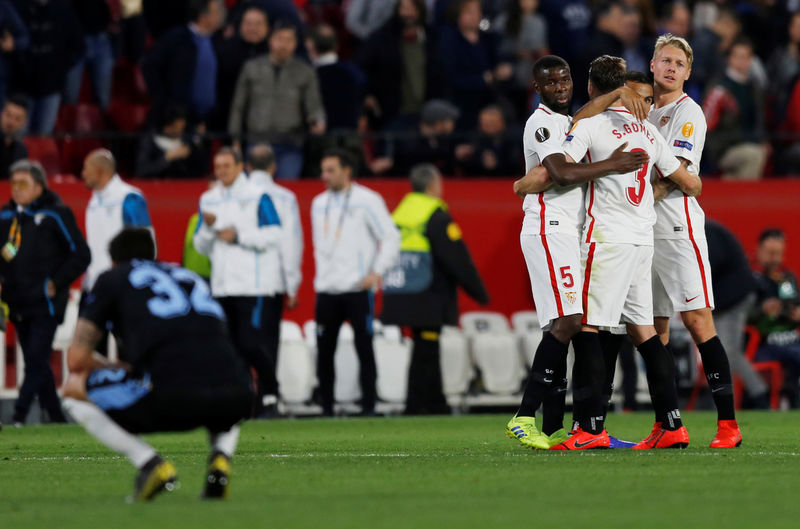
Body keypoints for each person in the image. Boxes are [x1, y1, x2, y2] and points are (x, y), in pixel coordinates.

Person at [544, 55, 702, 450]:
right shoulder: (648, 133)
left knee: (589, 327)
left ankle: (590, 429)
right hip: (642, 240)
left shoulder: (590, 125)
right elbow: (689, 182)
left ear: (593, 90)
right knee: (644, 331)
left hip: (607, 239)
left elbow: (561, 168)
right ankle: (672, 425)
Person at [505, 55, 649, 450]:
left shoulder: (571, 122)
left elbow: (585, 114)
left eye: (566, 79)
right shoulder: (541, 123)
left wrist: (618, 91)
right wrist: (613, 164)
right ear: (538, 88)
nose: (561, 87)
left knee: (571, 325)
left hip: (572, 232)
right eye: (551, 83)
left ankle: (569, 430)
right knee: (568, 320)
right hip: (550, 228)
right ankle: (523, 416)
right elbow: (562, 173)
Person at [62, 228, 252, 501]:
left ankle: (150, 465)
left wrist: (123, 369)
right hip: (238, 395)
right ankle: (220, 460)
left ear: (114, 261)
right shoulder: (189, 276)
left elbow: (76, 359)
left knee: (72, 388)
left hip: (171, 396)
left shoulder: (112, 278)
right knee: (220, 374)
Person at [647, 34, 742, 447]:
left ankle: (728, 425)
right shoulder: (643, 112)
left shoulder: (689, 113)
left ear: (688, 73)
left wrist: (635, 199)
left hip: (676, 228)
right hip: (643, 233)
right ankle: (667, 425)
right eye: (664, 60)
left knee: (698, 320)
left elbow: (679, 174)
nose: (670, 68)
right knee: (653, 329)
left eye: (678, 64)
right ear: (651, 65)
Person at [381, 164, 489, 415]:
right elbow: (455, 257)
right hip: (428, 292)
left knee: (422, 347)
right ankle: (425, 405)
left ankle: (424, 402)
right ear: (432, 185)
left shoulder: (400, 213)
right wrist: (479, 293)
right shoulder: (434, 214)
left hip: (402, 289)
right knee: (427, 350)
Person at [194, 148, 284, 415]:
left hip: (253, 286)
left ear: (240, 166)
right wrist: (209, 228)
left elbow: (275, 234)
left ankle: (270, 393)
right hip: (223, 286)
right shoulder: (208, 199)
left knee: (251, 343)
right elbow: (200, 245)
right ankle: (245, 400)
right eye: (218, 166)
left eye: (226, 166)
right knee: (230, 348)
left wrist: (239, 236)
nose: (221, 171)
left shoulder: (258, 196)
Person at [0, 160, 90, 425]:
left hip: (46, 303)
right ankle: (56, 417)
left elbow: (81, 254)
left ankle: (17, 416)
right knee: (37, 363)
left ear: (39, 186)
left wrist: (57, 282)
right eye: (13, 183)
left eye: (23, 184)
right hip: (17, 302)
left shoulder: (56, 214)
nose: (16, 189)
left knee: (37, 359)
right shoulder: (6, 216)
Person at [311, 148, 400, 416]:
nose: (324, 176)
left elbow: (391, 237)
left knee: (364, 348)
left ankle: (369, 407)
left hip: (357, 289)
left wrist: (377, 272)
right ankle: (326, 408)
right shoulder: (318, 203)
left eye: (331, 170)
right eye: (323, 170)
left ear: (346, 171)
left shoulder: (367, 200)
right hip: (326, 289)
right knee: (324, 352)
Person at [229, 21, 326, 180]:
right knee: (256, 191)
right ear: (271, 40)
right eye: (280, 39)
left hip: (290, 145)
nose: (284, 45)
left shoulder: (304, 71)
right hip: (257, 142)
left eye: (289, 40)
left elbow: (314, 106)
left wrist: (318, 121)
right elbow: (238, 107)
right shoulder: (252, 67)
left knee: (286, 189)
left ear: (295, 44)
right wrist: (235, 141)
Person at [247, 142, 304, 409]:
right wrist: (291, 284)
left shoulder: (236, 195)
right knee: (267, 340)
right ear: (274, 166)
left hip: (239, 283)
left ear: (246, 166)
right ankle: (268, 396)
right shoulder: (284, 197)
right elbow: (290, 243)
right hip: (271, 282)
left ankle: (245, 394)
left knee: (241, 339)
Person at [705, 219, 768, 408]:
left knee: (729, 352)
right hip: (729, 298)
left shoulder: (705, 231)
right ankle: (731, 400)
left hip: (734, 298)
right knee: (725, 352)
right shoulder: (708, 228)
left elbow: (711, 263)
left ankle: (759, 395)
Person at [82, 149, 153, 295]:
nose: (83, 174)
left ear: (99, 170)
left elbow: (146, 242)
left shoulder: (129, 197)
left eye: (86, 169)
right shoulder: (93, 202)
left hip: (123, 286)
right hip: (96, 284)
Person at [142, 0, 223, 126]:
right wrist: (164, 102)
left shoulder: (218, 41)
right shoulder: (175, 39)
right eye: (217, 12)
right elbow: (150, 67)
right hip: (177, 117)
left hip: (209, 118)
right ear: (203, 16)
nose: (221, 16)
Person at [11, 0, 84, 134]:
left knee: (43, 138)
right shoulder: (19, 6)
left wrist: (60, 69)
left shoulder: (63, 9)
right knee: (20, 137)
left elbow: (77, 46)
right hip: (22, 87)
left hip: (51, 87)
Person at [702, 37, 768, 179]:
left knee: (755, 154)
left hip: (748, 143)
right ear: (730, 59)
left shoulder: (754, 87)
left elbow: (758, 120)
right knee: (755, 155)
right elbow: (707, 123)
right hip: (724, 148)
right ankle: (747, 198)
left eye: (745, 57)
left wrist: (762, 140)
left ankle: (730, 186)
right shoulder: (719, 88)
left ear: (751, 60)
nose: (741, 61)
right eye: (738, 56)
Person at [750, 228, 800, 407]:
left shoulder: (787, 279)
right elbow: (741, 316)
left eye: (778, 253)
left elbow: (795, 303)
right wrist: (763, 310)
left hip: (791, 341)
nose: (774, 259)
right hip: (763, 344)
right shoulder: (750, 279)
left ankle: (793, 403)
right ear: (759, 251)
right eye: (770, 253)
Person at [213, 5, 269, 132]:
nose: (253, 28)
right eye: (248, 23)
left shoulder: (273, 53)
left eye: (258, 24)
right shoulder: (225, 52)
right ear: (241, 25)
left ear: (267, 27)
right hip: (229, 118)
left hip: (266, 122)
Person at [135, 105, 209, 178]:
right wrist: (167, 158)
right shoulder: (149, 141)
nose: (179, 131)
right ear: (166, 126)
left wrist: (196, 149)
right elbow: (141, 171)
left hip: (184, 185)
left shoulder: (187, 141)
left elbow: (202, 170)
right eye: (175, 127)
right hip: (156, 185)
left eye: (182, 127)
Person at [0, 95, 28, 179]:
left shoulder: (21, 150)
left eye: (17, 119)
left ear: (23, 122)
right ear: (1, 114)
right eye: (8, 115)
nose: (11, 122)